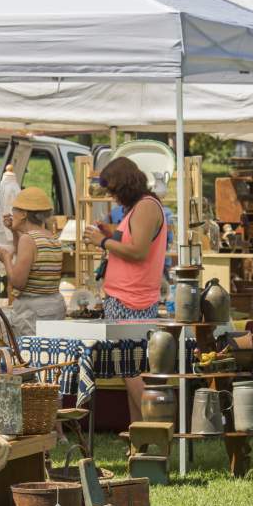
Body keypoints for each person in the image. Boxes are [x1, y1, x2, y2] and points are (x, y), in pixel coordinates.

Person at [82, 157, 168, 421]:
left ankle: (155, 424)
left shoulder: (146, 207)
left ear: (125, 185)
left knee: (130, 370)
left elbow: (139, 252)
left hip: (131, 299)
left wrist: (103, 241)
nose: (113, 197)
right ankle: (137, 432)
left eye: (114, 191)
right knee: (131, 368)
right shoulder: (140, 208)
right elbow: (132, 242)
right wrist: (111, 234)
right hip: (128, 297)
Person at [0, 186, 65, 336]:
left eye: (14, 210)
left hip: (33, 314)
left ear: (23, 214)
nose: (11, 214)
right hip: (52, 308)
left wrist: (6, 259)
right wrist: (14, 230)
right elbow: (24, 257)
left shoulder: (28, 239)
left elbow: (18, 282)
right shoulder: (51, 237)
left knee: (29, 352)